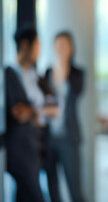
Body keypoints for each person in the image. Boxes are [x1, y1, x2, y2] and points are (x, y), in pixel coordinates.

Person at [5, 24, 57, 202]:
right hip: (20, 148)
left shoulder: (37, 77)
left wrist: (33, 111)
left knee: (23, 195)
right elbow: (18, 113)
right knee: (36, 196)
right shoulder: (8, 74)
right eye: (37, 46)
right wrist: (40, 112)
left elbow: (55, 109)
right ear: (25, 44)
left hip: (38, 146)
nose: (39, 51)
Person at [44, 31, 85, 202]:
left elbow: (78, 91)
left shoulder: (77, 73)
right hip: (48, 138)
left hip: (69, 138)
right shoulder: (47, 72)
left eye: (64, 45)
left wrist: (62, 71)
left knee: (75, 190)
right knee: (52, 188)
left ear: (71, 48)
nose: (61, 48)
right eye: (58, 45)